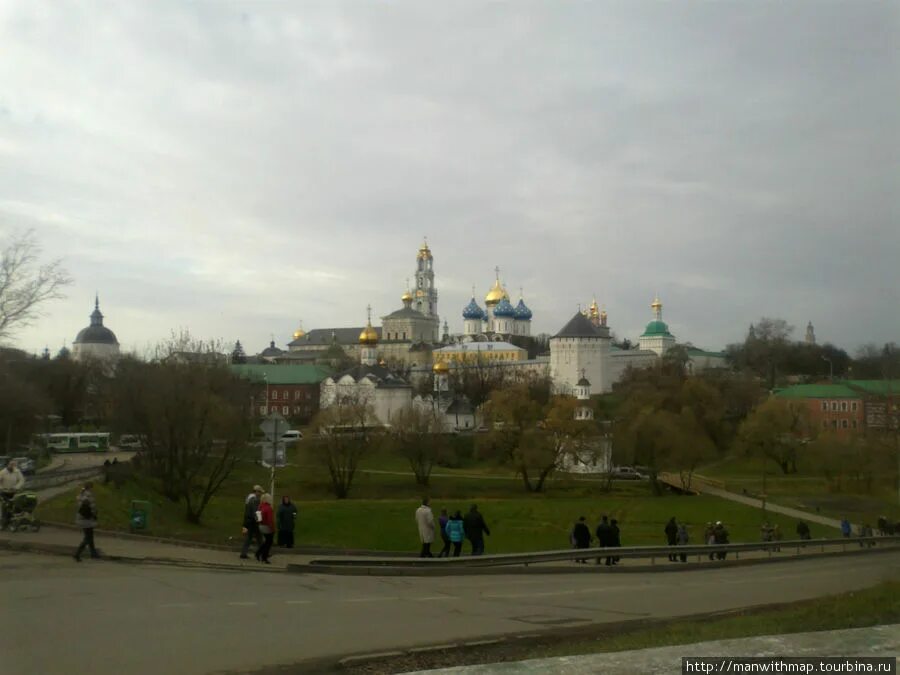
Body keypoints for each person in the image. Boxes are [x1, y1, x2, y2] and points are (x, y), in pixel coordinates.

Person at [74, 482, 99, 561]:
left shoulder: (81, 495)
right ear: (90, 488)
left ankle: (93, 553)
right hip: (87, 519)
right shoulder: (88, 495)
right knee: (88, 537)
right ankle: (77, 553)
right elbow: (92, 507)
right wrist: (94, 514)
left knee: (90, 536)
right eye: (92, 487)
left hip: (82, 518)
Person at [240, 484, 264, 559]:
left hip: (249, 520)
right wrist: (259, 520)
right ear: (256, 492)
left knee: (250, 538)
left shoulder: (249, 499)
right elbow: (256, 512)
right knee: (259, 538)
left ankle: (243, 553)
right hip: (254, 522)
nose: (260, 494)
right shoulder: (255, 500)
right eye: (259, 492)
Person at [0, 459, 26, 530]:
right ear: (8, 465)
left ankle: (12, 522)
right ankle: (3, 524)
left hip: (14, 492)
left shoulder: (17, 472)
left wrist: (16, 487)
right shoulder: (3, 472)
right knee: (5, 507)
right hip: (4, 492)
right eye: (11, 465)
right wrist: (1, 488)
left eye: (14, 465)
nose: (12, 466)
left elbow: (22, 480)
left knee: (13, 507)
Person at [256, 493, 275, 563]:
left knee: (267, 541)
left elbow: (258, 517)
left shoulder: (260, 506)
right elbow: (270, 520)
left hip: (261, 525)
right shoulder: (268, 508)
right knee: (269, 542)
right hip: (267, 526)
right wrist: (273, 528)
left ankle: (258, 553)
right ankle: (264, 557)